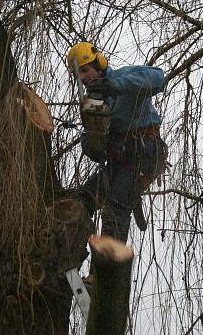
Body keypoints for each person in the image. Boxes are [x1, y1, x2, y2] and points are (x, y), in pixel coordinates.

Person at [66, 42, 167, 244]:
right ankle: (69, 255)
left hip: (145, 152)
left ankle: (108, 273)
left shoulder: (123, 76)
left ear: (100, 63)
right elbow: (96, 150)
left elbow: (158, 78)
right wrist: (92, 138)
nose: (82, 77)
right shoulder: (93, 103)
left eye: (85, 70)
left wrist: (116, 87)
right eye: (78, 74)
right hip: (119, 162)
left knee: (115, 209)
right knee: (83, 199)